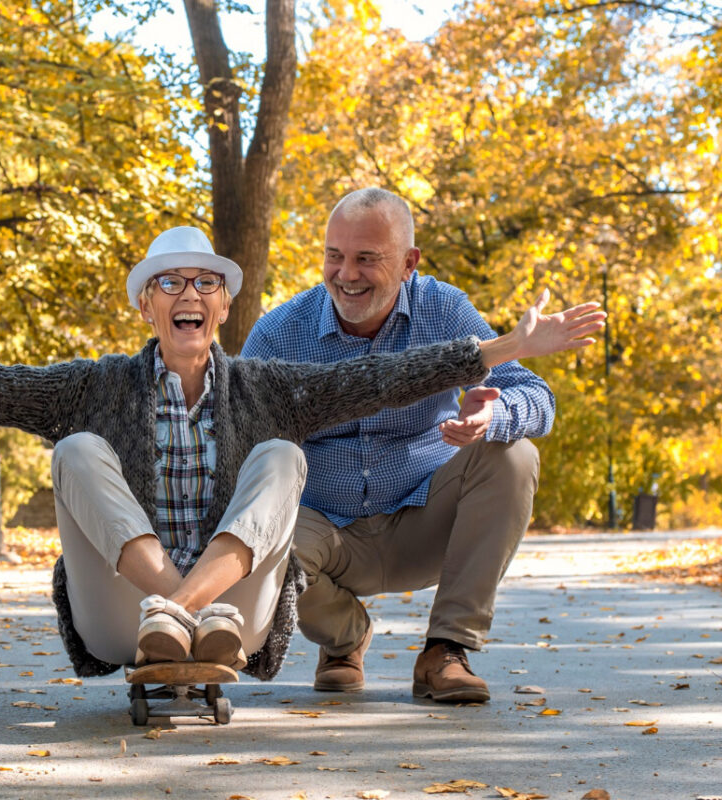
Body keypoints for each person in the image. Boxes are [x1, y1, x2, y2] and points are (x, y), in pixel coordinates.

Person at [0, 225, 603, 681]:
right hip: (125, 611)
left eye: (204, 283)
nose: (187, 294)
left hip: (239, 617)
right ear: (145, 309)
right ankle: (175, 606)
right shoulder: (95, 386)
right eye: (169, 283)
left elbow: (389, 376)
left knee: (280, 457)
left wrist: (496, 349)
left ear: (224, 308)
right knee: (79, 449)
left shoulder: (270, 386)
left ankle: (198, 611)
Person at [241, 187, 575, 703]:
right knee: (252, 533)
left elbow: (538, 397)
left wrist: (493, 415)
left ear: (408, 263)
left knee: (515, 453)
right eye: (335, 256)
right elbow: (239, 444)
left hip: (425, 520)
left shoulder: (443, 310)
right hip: (324, 531)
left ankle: (446, 650)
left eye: (367, 259)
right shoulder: (280, 333)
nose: (346, 274)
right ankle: (345, 637)